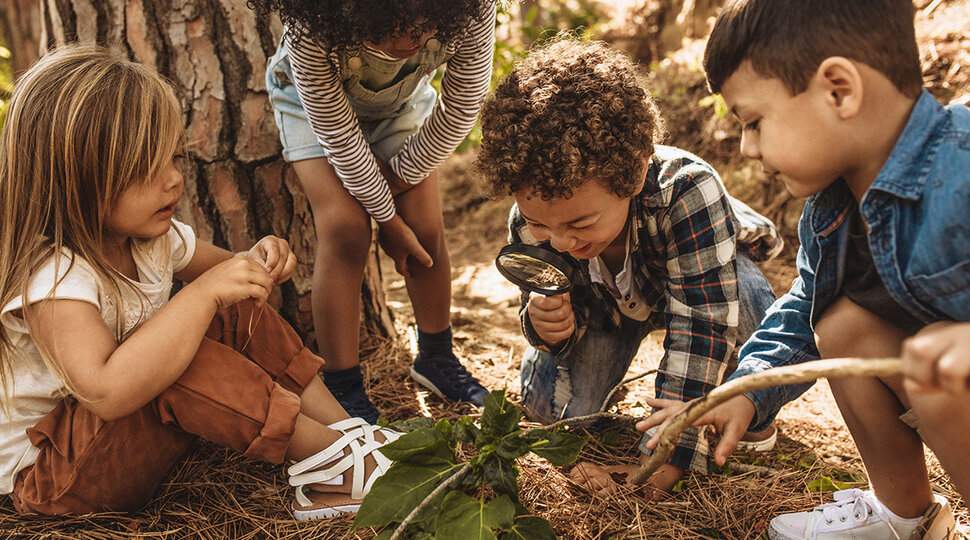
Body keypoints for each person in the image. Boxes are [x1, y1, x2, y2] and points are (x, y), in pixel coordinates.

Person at [0, 45, 399, 520]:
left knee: (232, 307)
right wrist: (204, 293)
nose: (173, 181)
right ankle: (333, 463)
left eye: (174, 158)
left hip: (114, 443)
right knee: (180, 353)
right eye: (147, 169)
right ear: (75, 181)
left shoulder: (150, 238)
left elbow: (231, 272)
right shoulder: (54, 278)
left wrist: (258, 260)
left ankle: (348, 434)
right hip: (54, 477)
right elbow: (108, 392)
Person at [639, 0, 969, 537]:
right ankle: (902, 514)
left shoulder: (962, 165)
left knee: (937, 368)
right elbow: (801, 311)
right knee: (841, 323)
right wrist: (745, 390)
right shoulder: (830, 211)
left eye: (754, 122)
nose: (747, 148)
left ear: (839, 89)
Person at [475, 38, 783, 498]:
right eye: (542, 224)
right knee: (549, 410)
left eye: (580, 222)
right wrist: (548, 328)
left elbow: (701, 322)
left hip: (695, 277)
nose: (560, 241)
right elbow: (537, 300)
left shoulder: (687, 190)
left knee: (752, 305)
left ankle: (749, 407)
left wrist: (664, 456)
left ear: (635, 174)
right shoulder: (532, 220)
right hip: (607, 310)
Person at [247, 0, 496, 422]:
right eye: (386, 30)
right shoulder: (311, 26)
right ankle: (343, 386)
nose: (406, 42)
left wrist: (396, 185)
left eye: (422, 29)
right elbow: (340, 138)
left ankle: (436, 357)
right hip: (314, 110)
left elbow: (461, 108)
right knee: (346, 230)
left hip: (400, 105)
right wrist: (387, 219)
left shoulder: (472, 9)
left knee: (424, 227)